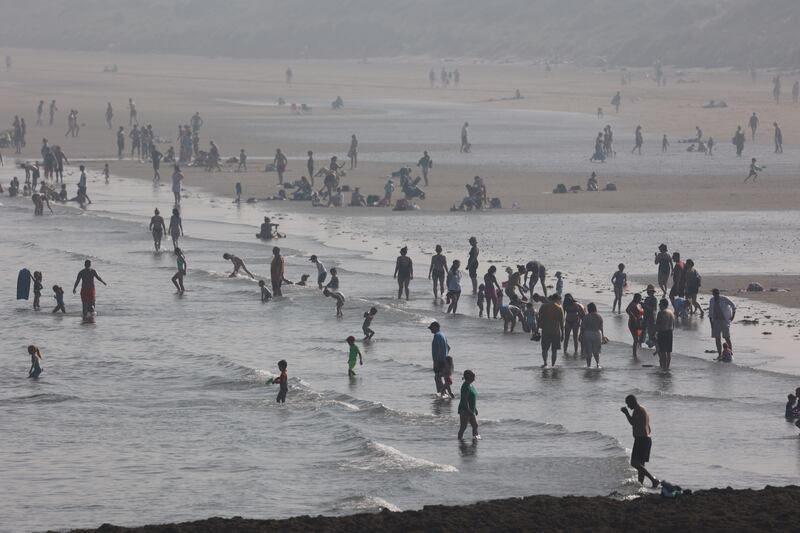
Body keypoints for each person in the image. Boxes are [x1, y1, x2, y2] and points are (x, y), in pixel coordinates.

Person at [620, 395, 659, 488]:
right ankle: (640, 485)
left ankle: (653, 480)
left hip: (642, 439)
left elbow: (633, 422)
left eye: (628, 404)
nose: (628, 406)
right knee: (641, 465)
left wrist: (626, 413)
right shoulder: (643, 409)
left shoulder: (637, 410)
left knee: (634, 463)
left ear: (633, 401)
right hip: (646, 439)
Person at [708, 288, 736, 360]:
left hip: (724, 320)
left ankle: (730, 352)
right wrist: (711, 323)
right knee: (717, 338)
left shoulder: (724, 299)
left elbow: (733, 306)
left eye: (717, 294)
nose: (716, 295)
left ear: (719, 293)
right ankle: (720, 354)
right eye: (714, 294)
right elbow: (710, 312)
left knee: (727, 337)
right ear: (713, 294)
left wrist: (732, 316)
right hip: (716, 321)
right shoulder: (712, 300)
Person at [538, 294, 564, 368]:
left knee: (544, 349)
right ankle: (553, 365)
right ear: (556, 299)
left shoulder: (543, 306)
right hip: (556, 330)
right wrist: (563, 333)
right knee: (554, 350)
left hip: (546, 330)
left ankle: (545, 363)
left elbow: (539, 319)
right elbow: (561, 322)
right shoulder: (559, 307)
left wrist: (537, 329)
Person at [457, 370, 480, 440]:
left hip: (471, 410)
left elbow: (472, 399)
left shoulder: (471, 385)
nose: (474, 376)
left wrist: (475, 409)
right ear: (469, 376)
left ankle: (475, 440)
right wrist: (468, 410)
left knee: (475, 426)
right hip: (465, 410)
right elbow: (465, 400)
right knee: (463, 427)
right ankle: (460, 441)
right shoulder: (465, 386)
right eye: (472, 375)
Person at [580, 303, 604, 368]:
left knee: (588, 351)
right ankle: (597, 364)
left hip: (588, 334)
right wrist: (603, 336)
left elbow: (583, 327)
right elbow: (601, 328)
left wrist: (580, 335)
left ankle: (589, 365)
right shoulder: (599, 316)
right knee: (597, 351)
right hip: (597, 334)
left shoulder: (586, 316)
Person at [429, 321, 449, 396]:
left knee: (437, 377)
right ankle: (441, 393)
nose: (430, 330)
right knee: (439, 377)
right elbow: (448, 347)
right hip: (444, 359)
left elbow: (440, 348)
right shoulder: (443, 334)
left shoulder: (437, 335)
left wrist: (436, 361)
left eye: (431, 328)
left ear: (436, 327)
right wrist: (445, 355)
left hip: (439, 360)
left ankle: (442, 393)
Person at [655, 298, 674, 370]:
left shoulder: (661, 312)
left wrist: (654, 334)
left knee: (663, 351)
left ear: (663, 304)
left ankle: (664, 368)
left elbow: (657, 324)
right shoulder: (671, 312)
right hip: (670, 332)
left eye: (660, 303)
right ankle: (667, 367)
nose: (659, 305)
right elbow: (673, 325)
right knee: (668, 351)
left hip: (662, 332)